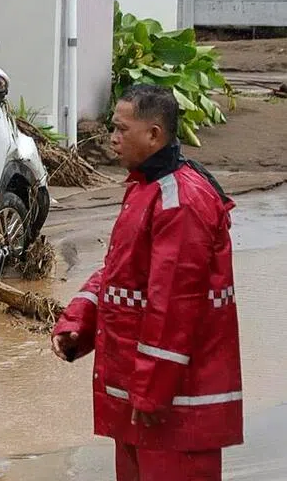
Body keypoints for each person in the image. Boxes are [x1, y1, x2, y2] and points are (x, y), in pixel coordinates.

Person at [51, 84, 243, 481]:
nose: (113, 140)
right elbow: (120, 270)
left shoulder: (180, 201)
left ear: (154, 135)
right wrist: (79, 320)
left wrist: (152, 390)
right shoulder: (147, 188)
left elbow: (174, 304)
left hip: (173, 403)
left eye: (122, 130)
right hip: (148, 396)